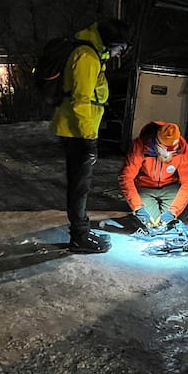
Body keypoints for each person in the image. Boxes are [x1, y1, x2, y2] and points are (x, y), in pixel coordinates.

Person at [51, 17, 130, 253]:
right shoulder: (86, 57)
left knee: (80, 185)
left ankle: (81, 231)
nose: (118, 55)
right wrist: (88, 139)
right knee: (79, 187)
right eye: (119, 49)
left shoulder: (92, 55)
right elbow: (80, 101)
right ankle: (79, 237)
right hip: (77, 134)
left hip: (79, 132)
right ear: (109, 43)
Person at [118, 121, 188, 231]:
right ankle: (136, 211)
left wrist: (173, 212)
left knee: (171, 222)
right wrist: (138, 207)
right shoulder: (140, 145)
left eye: (173, 151)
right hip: (145, 188)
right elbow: (126, 177)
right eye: (166, 150)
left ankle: (175, 214)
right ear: (157, 143)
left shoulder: (182, 148)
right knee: (150, 225)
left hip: (170, 188)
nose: (169, 154)